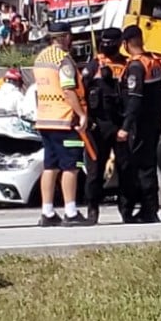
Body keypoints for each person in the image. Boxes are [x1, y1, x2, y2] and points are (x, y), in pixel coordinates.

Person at [32, 21, 91, 227]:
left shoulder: (41, 58)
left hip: (45, 120)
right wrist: (81, 114)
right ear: (66, 37)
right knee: (71, 166)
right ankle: (71, 212)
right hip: (65, 120)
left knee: (50, 166)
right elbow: (68, 90)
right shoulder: (63, 60)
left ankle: (47, 212)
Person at [118, 24, 161, 223]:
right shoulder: (154, 62)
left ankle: (147, 209)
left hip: (139, 124)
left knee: (140, 167)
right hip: (154, 122)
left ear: (126, 43)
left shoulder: (136, 66)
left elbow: (135, 98)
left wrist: (125, 127)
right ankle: (150, 208)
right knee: (148, 164)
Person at [80, 28, 128, 224]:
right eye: (105, 42)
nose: (108, 46)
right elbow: (80, 93)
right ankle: (92, 209)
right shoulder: (93, 66)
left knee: (126, 169)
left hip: (120, 123)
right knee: (94, 172)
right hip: (96, 126)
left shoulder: (126, 64)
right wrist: (85, 118)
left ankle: (126, 210)